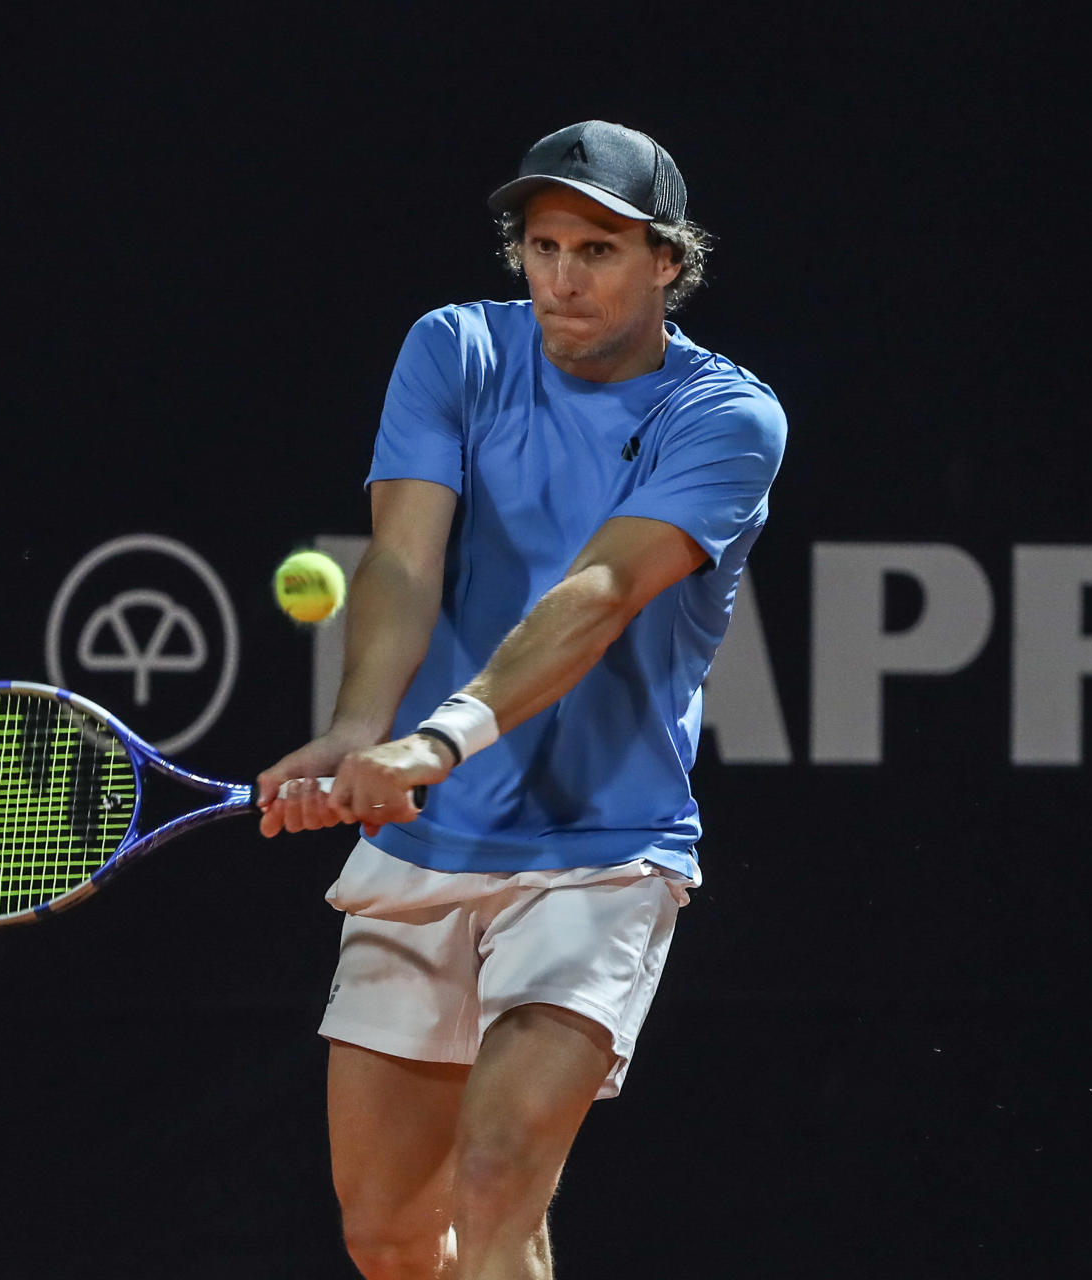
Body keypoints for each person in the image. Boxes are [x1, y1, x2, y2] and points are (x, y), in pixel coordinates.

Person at [257, 120, 786, 1280]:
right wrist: (357, 729)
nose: (561, 276)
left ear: (667, 262)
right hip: (425, 846)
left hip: (601, 855)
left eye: (597, 248)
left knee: (498, 1175)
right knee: (391, 1234)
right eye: (542, 246)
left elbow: (598, 592)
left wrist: (440, 735)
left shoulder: (728, 417)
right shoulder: (453, 349)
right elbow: (401, 559)